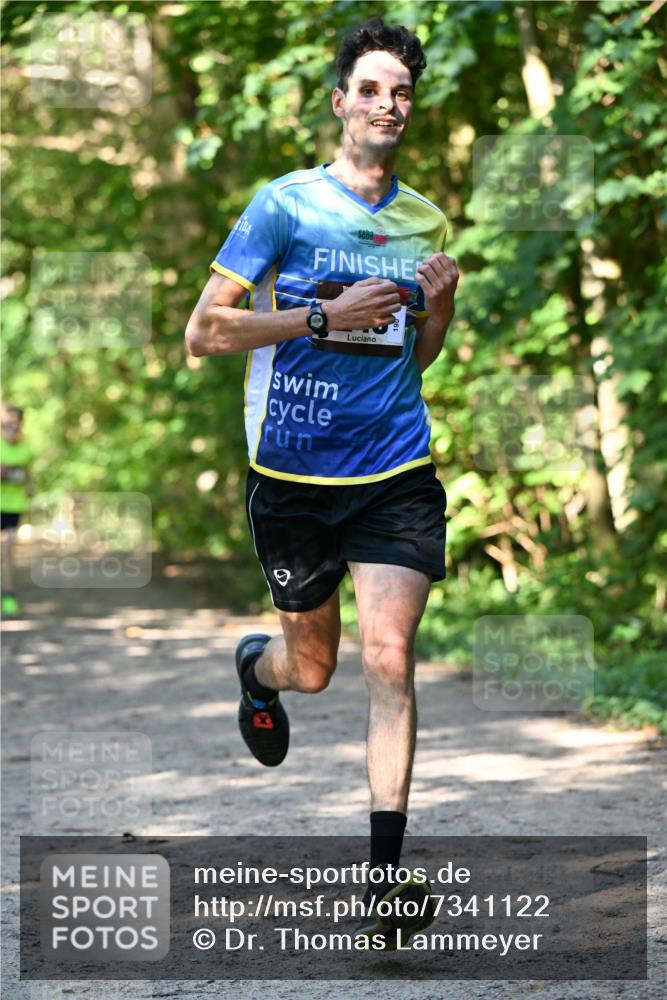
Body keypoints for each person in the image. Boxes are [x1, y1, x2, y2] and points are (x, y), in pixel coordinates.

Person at [185, 16, 459, 947]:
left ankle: (384, 885)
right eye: (371, 89)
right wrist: (316, 315)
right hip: (292, 475)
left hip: (394, 468)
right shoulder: (284, 206)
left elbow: (414, 359)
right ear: (341, 101)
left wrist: (443, 305)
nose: (388, 105)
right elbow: (204, 334)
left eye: (403, 92)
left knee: (389, 657)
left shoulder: (422, 219)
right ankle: (257, 675)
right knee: (314, 667)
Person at [1, 404, 34, 618]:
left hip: (13, 507)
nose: (11, 429)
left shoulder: (27, 449)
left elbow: (29, 477)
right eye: (7, 425)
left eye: (15, 425)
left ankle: (8, 595)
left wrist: (29, 484)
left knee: (8, 549)